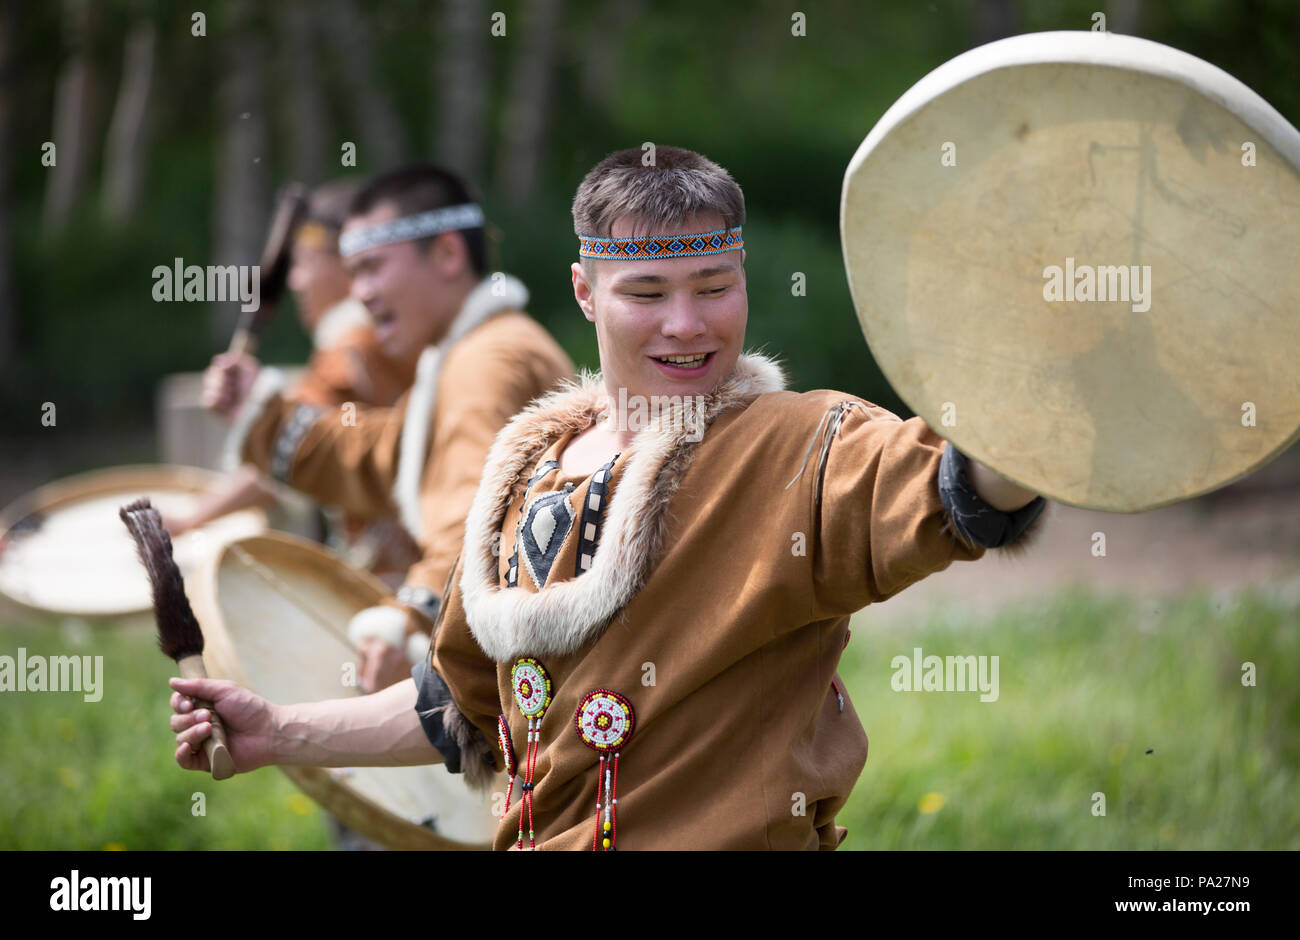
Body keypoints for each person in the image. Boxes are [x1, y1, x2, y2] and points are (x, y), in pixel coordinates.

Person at [171, 146, 1047, 849]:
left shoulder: (799, 445)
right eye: (647, 293)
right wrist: (279, 729)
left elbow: (957, 482)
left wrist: (1049, 388)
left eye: (715, 288)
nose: (687, 324)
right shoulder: (532, 467)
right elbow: (469, 703)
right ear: (587, 292)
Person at [202, 164, 575, 692]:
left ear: (447, 254)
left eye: (373, 267)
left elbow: (474, 512)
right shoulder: (464, 355)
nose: (361, 293)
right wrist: (264, 413)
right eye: (352, 273)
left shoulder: (487, 362)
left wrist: (412, 617)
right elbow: (382, 454)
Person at [166, 180, 422, 584]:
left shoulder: (351, 347)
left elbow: (292, 449)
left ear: (344, 263)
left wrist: (190, 519)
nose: (295, 282)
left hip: (405, 582)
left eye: (305, 263)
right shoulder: (394, 335)